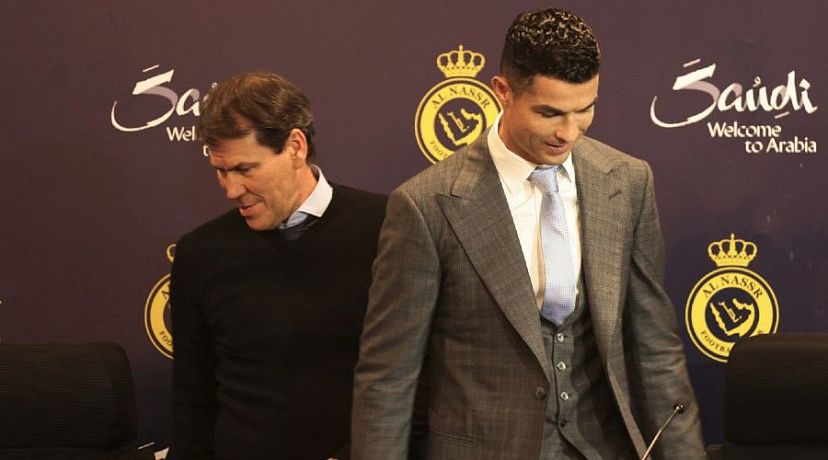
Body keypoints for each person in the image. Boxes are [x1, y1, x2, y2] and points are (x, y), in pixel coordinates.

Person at [351, 7, 705, 460]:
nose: (568, 133)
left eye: (585, 109)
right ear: (503, 91)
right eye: (549, 113)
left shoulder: (628, 182)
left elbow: (654, 347)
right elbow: (389, 375)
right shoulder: (425, 206)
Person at [171, 72, 386, 460]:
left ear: (295, 146)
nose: (231, 189)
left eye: (245, 169)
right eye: (220, 170)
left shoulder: (387, 228)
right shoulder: (199, 253)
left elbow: (419, 375)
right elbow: (193, 400)